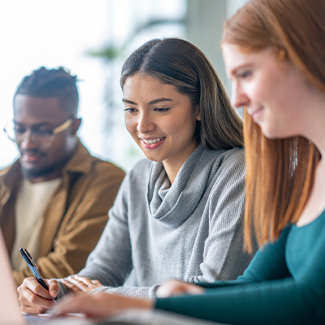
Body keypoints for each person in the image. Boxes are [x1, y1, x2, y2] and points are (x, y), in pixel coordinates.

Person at [34, 0, 325, 324]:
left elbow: (308, 300)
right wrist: (60, 291)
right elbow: (249, 286)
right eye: (131, 108)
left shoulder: (241, 171)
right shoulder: (308, 175)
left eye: (246, 74)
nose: (238, 98)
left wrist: (136, 301)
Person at [18, 38, 257, 313]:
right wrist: (54, 291)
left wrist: (105, 296)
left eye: (161, 108)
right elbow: (102, 271)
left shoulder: (239, 172)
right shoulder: (138, 177)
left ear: (200, 106)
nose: (142, 125)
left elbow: (209, 293)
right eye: (131, 109)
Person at [0, 67, 125, 286]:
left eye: (43, 131)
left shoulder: (107, 181)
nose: (27, 143)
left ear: (74, 126)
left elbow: (67, 269)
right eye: (19, 129)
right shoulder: (3, 179)